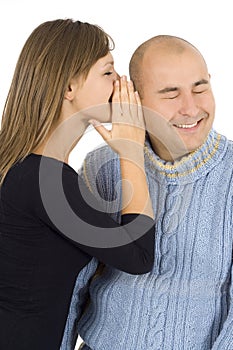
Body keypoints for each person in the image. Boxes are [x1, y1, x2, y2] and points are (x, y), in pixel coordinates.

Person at [62, 35, 233, 349]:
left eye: (200, 87)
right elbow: (72, 285)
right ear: (134, 101)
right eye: (171, 94)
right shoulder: (103, 168)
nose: (191, 107)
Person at [0, 19, 156, 350]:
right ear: (69, 88)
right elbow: (138, 257)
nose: (121, 83)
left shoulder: (27, 172)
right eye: (108, 72)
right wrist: (131, 154)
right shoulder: (44, 182)